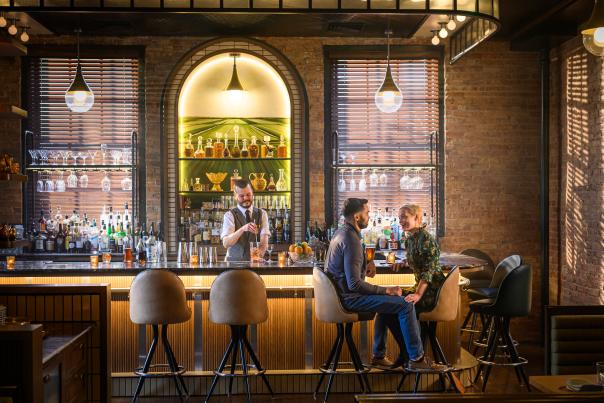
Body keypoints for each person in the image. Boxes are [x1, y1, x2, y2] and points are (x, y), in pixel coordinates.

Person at [324, 198, 445, 371]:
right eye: (367, 213)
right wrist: (387, 290)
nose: (369, 216)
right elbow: (354, 284)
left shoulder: (342, 233)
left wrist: (368, 261)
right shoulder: (351, 239)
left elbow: (428, 266)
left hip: (341, 297)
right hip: (349, 298)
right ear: (357, 217)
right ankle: (416, 359)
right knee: (405, 305)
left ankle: (379, 356)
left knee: (389, 304)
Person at [372, 203, 446, 366]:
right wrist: (404, 263)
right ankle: (383, 355)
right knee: (385, 305)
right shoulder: (411, 240)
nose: (401, 221)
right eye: (399, 217)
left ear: (417, 218)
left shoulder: (426, 239)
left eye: (405, 217)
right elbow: (418, 261)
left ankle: (406, 353)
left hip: (432, 292)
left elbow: (430, 269)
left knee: (392, 306)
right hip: (421, 289)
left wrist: (418, 294)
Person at [221, 179, 270, 261]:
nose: (246, 198)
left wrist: (259, 255)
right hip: (233, 265)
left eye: (248, 194)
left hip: (255, 264)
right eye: (241, 196)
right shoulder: (229, 215)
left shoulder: (262, 214)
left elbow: (264, 241)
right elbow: (226, 243)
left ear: (252, 194)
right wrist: (242, 229)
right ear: (235, 196)